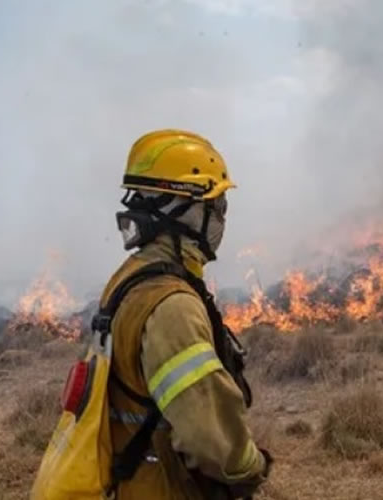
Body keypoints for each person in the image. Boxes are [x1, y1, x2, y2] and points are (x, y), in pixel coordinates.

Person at [98, 129, 271, 498]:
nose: (221, 219)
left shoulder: (129, 279)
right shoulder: (172, 305)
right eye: (216, 206)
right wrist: (252, 466)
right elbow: (209, 437)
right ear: (186, 210)